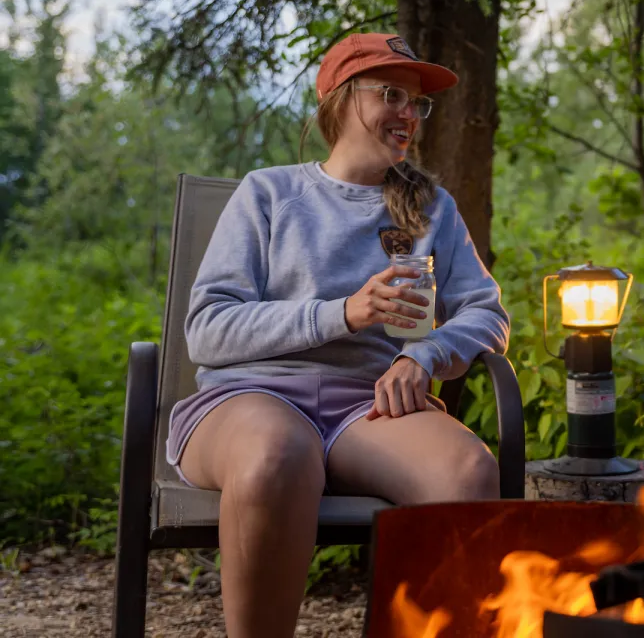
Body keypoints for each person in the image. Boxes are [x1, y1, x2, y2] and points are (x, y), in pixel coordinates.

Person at [166, 33, 510, 637]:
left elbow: (487, 314)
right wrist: (342, 313)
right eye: (392, 95)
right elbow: (208, 329)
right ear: (342, 99)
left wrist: (427, 355)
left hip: (368, 409)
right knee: (278, 454)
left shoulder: (431, 208)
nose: (410, 114)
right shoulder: (268, 194)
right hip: (251, 401)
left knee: (468, 472)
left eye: (417, 103)